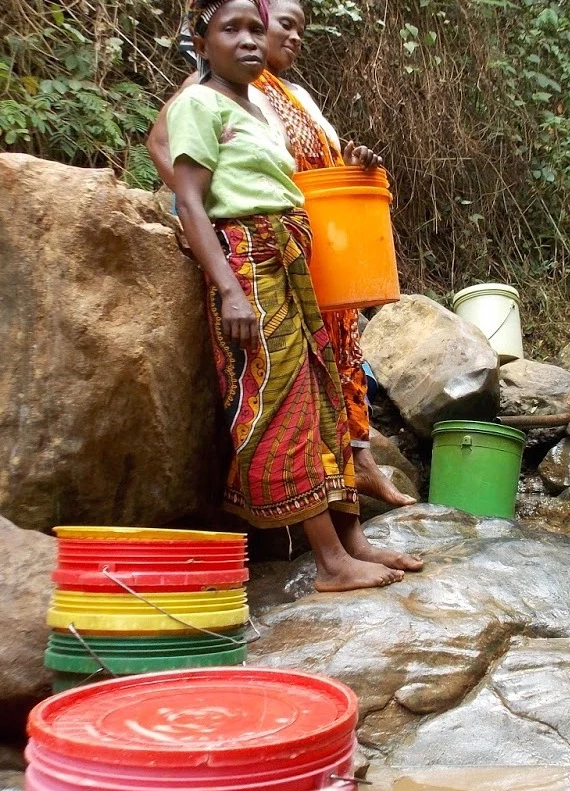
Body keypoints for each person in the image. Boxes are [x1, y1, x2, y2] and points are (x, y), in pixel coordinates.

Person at [165, 0, 416, 591]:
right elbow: (191, 201)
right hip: (248, 262)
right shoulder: (197, 103)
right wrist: (229, 289)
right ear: (202, 43)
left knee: (323, 394)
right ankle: (329, 562)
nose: (251, 40)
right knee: (278, 402)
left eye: (257, 28)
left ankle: (353, 541)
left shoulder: (258, 106)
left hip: (292, 255)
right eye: (232, 30)